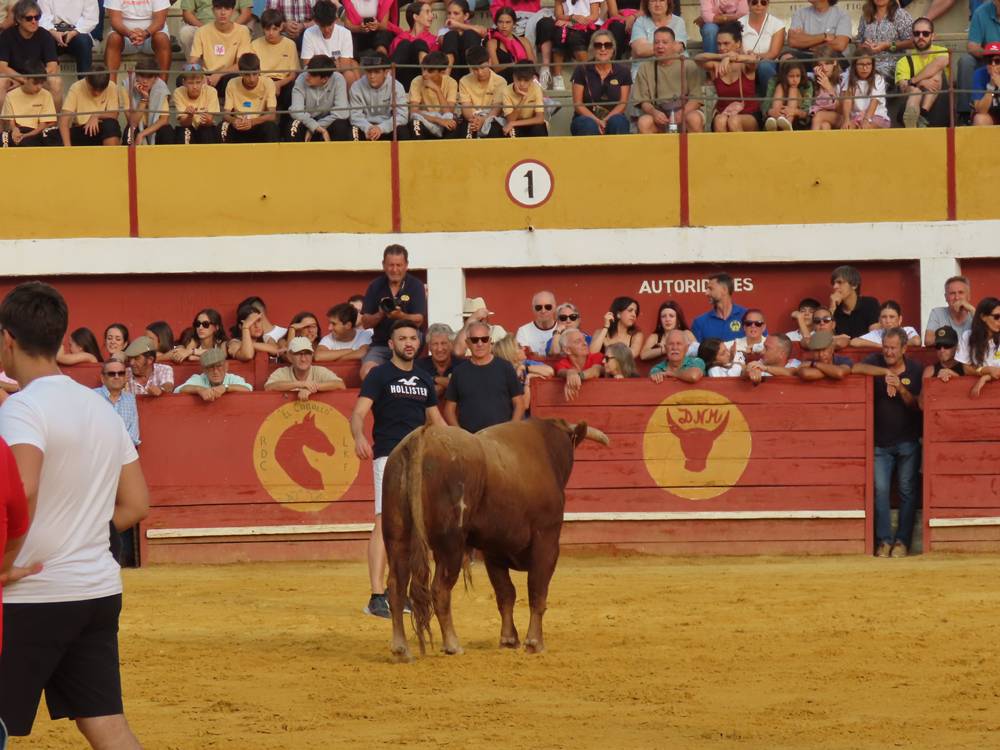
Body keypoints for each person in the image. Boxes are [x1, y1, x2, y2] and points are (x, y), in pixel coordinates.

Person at [0, 280, 149, 746]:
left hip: (31, 596)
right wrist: (79, 529)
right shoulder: (100, 406)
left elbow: (20, 489)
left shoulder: (21, 408)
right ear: (60, 339)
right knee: (106, 724)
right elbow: (136, 503)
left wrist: (6, 560)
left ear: (7, 339)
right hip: (97, 591)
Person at [351, 320, 446, 619]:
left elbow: (437, 421)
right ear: (391, 344)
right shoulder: (379, 376)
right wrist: (358, 436)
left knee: (415, 526)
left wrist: (462, 445)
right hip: (389, 457)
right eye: (402, 338)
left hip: (420, 458)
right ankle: (377, 595)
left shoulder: (423, 378)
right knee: (384, 522)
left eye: (412, 338)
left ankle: (399, 591)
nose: (408, 342)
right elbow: (358, 413)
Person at [852, 327, 923, 559]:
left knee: (907, 491)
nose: (889, 352)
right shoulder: (875, 361)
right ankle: (883, 541)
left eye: (893, 348)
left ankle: (901, 541)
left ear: (904, 348)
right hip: (880, 443)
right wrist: (885, 373)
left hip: (908, 442)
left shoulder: (916, 369)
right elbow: (856, 367)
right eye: (886, 347)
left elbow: (916, 406)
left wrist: (900, 386)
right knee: (880, 492)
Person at [359, 244, 427, 379]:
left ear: (406, 265)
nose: (395, 269)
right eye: (391, 265)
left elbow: (419, 320)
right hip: (382, 344)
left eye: (399, 265)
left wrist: (400, 316)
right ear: (383, 265)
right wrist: (381, 314)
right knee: (366, 372)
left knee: (402, 373)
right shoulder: (375, 286)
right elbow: (365, 322)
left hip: (408, 342)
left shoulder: (415, 285)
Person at [444, 321, 524, 432]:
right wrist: (461, 435)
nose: (480, 343)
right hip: (472, 440)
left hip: (502, 438)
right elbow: (449, 409)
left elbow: (519, 403)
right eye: (475, 340)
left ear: (490, 341)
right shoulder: (460, 372)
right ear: (467, 343)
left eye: (484, 339)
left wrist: (511, 430)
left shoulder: (505, 367)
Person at [633, 25, 704, 133]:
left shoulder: (688, 65)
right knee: (644, 122)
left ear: (674, 45)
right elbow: (643, 101)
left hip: (686, 110)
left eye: (665, 42)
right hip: (659, 112)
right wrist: (654, 112)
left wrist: (681, 113)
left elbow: (696, 100)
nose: (660, 46)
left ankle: (697, 150)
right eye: (656, 42)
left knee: (694, 119)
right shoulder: (645, 68)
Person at [695, 21, 758, 132]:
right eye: (719, 44)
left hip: (748, 114)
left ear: (738, 44)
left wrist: (732, 57)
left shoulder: (745, 65)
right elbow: (698, 58)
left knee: (733, 121)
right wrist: (723, 56)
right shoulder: (717, 66)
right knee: (720, 120)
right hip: (723, 114)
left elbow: (753, 60)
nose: (721, 47)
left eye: (726, 43)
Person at [0, 0, 62, 111]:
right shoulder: (7, 35)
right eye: (29, 18)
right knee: (1, 82)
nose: (34, 21)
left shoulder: (45, 35)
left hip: (38, 78)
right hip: (14, 77)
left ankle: (54, 125)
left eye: (37, 17)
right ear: (18, 19)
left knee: (55, 82)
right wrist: (24, 80)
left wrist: (34, 79)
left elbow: (52, 66)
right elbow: (2, 66)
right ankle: (2, 127)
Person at [570, 29, 631, 136]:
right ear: (592, 49)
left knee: (618, 122)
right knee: (588, 125)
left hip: (612, 117)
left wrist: (605, 120)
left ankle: (619, 153)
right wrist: (597, 121)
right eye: (598, 45)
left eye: (607, 45)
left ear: (613, 49)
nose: (603, 49)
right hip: (586, 118)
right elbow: (578, 104)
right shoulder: (582, 69)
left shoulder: (623, 71)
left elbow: (622, 104)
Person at [534, 0, 603, 92]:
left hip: (588, 25)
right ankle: (557, 77)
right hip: (568, 22)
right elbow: (559, 15)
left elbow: (594, 16)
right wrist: (571, 18)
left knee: (573, 35)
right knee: (557, 31)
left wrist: (575, 24)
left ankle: (589, 76)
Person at [894, 17, 949, 128]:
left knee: (937, 74)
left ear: (933, 36)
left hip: (940, 106)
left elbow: (938, 64)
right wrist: (919, 84)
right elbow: (904, 88)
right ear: (912, 36)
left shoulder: (942, 52)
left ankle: (922, 115)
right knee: (914, 92)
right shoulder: (903, 61)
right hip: (911, 104)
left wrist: (915, 80)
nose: (921, 37)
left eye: (925, 33)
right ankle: (917, 119)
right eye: (917, 33)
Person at [189, 0, 251, 97]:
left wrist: (218, 75)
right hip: (206, 75)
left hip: (227, 75)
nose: (223, 13)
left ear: (233, 11)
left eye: (227, 8)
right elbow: (193, 62)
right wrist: (201, 76)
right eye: (218, 8)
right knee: (182, 80)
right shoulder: (201, 31)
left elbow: (241, 64)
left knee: (234, 81)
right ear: (213, 10)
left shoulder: (242, 31)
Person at [287, 53, 350, 140]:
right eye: (308, 73)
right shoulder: (301, 78)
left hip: (328, 121)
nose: (307, 77)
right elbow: (296, 111)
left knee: (341, 125)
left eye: (312, 75)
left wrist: (317, 127)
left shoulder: (338, 80)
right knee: (294, 125)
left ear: (324, 79)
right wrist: (314, 126)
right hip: (306, 120)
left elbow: (343, 112)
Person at [103, 0, 170, 82]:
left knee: (162, 38)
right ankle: (111, 88)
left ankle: (162, 89)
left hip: (151, 35)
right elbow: (115, 21)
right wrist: (129, 34)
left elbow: (159, 21)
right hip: (124, 35)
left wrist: (145, 34)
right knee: (114, 38)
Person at [349, 50, 408, 141]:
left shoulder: (396, 86)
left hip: (388, 127)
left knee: (402, 131)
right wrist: (368, 128)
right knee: (352, 130)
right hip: (365, 128)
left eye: (376, 72)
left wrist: (381, 128)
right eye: (369, 72)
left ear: (386, 72)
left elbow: (403, 116)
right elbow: (355, 116)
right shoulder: (356, 87)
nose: (372, 76)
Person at [957, 0, 1000, 124]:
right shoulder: (981, 12)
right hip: (984, 58)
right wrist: (991, 57)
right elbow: (972, 46)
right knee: (965, 61)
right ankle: (965, 113)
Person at [222, 52, 280, 143]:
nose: (252, 79)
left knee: (271, 127)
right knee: (223, 127)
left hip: (258, 124)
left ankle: (272, 156)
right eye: (247, 75)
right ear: (241, 73)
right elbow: (225, 114)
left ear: (259, 71)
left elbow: (272, 115)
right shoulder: (232, 83)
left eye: (255, 74)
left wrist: (252, 122)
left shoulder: (268, 83)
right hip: (239, 126)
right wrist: (234, 121)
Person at [252, 8, 300, 117]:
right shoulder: (255, 44)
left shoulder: (290, 44)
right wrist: (269, 85)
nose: (270, 33)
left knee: (293, 88)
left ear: (281, 27)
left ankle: (286, 123)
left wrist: (278, 84)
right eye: (267, 29)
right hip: (262, 81)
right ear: (262, 28)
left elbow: (293, 74)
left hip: (282, 82)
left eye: (274, 29)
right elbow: (253, 72)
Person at [58, 64, 122, 146]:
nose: (97, 93)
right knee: (56, 135)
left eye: (101, 90)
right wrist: (68, 148)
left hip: (103, 131)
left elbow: (114, 115)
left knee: (111, 125)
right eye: (93, 89)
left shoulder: (112, 86)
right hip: (82, 131)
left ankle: (111, 157)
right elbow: (64, 120)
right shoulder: (76, 87)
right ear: (87, 80)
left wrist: (96, 115)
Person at [264, 336, 345, 399]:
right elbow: (269, 387)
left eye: (307, 353)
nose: (303, 359)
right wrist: (301, 384)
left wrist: (312, 388)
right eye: (298, 354)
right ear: (290, 356)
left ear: (312, 355)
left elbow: (340, 385)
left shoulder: (319, 371)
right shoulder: (282, 372)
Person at [854, 0, 914, 83]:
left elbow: (912, 42)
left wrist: (888, 45)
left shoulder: (901, 15)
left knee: (871, 78)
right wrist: (863, 47)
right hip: (867, 63)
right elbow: (858, 40)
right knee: (847, 77)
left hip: (891, 64)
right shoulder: (866, 15)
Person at [0, 59, 56, 147]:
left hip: (37, 133)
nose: (39, 87)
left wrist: (26, 135)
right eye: (35, 83)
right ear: (25, 78)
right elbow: (10, 122)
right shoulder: (10, 95)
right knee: (4, 139)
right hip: (19, 131)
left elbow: (44, 124)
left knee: (52, 136)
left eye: (41, 83)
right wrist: (15, 130)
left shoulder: (46, 95)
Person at [302, 0, 358, 85]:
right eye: (323, 26)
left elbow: (345, 66)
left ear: (335, 20)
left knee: (349, 75)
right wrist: (336, 62)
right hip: (317, 76)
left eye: (330, 25)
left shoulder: (345, 33)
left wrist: (319, 61)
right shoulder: (309, 33)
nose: (327, 30)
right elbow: (307, 65)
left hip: (337, 75)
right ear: (316, 22)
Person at [122, 55, 173, 145]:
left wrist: (142, 134)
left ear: (156, 78)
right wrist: (144, 99)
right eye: (141, 76)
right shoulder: (127, 86)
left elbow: (164, 120)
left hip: (154, 126)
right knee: (130, 131)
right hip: (136, 124)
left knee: (167, 131)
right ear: (136, 75)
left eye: (149, 77)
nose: (145, 81)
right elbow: (132, 122)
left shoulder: (161, 87)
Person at [630, 0, 687, 78]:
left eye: (662, 0)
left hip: (672, 67)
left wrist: (650, 48)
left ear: (668, 2)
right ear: (647, 4)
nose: (657, 4)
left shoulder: (678, 22)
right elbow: (640, 50)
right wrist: (668, 47)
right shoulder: (640, 22)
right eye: (653, 1)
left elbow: (677, 47)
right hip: (645, 69)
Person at [39, 0, 98, 75]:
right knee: (44, 41)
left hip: (77, 32)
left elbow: (90, 18)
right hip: (52, 32)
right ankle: (44, 81)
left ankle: (85, 83)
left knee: (84, 42)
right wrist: (53, 32)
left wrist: (74, 32)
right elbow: (42, 17)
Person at [409, 50, 459, 139]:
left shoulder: (451, 82)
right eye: (424, 69)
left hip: (444, 121)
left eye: (430, 71)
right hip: (426, 119)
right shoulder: (416, 81)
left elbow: (449, 112)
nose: (424, 74)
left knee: (452, 123)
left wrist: (437, 90)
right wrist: (438, 120)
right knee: (415, 123)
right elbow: (414, 111)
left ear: (441, 72)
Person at [457, 44, 505, 137]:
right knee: (466, 133)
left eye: (483, 68)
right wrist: (475, 121)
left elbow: (497, 109)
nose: (479, 72)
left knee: (494, 132)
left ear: (490, 62)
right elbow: (466, 107)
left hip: (491, 118)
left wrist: (483, 120)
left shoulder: (500, 81)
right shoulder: (464, 81)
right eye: (475, 69)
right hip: (471, 118)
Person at [388, 1, 437, 90]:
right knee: (405, 43)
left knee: (419, 43)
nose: (431, 16)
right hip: (400, 81)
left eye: (431, 12)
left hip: (421, 80)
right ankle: (386, 83)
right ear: (415, 16)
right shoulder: (400, 38)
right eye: (427, 12)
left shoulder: (434, 39)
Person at [179, 0, 251, 59]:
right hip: (201, 26)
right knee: (186, 32)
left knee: (245, 30)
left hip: (233, 27)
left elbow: (246, 14)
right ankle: (197, 72)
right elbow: (187, 14)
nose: (222, 12)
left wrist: (230, 28)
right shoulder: (203, 31)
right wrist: (207, 30)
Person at [955, 296, 1000, 390]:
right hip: (974, 389)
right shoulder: (967, 336)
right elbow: (966, 369)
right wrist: (984, 370)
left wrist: (985, 377)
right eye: (996, 317)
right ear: (983, 317)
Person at [93, 357, 140, 446]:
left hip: (124, 454)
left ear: (125, 377)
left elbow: (133, 435)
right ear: (103, 378)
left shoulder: (130, 399)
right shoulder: (92, 396)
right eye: (111, 374)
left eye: (121, 373)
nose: (117, 377)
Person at [739, 0, 784, 91]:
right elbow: (738, 49)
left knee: (764, 66)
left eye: (763, 2)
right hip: (745, 63)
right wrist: (748, 59)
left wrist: (754, 57)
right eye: (755, 2)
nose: (759, 5)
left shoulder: (777, 24)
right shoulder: (739, 23)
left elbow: (773, 53)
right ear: (748, 3)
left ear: (768, 4)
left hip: (769, 64)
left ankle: (769, 99)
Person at [176, 347, 253, 400]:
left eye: (219, 366)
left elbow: (248, 389)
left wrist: (225, 387)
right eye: (211, 367)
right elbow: (180, 389)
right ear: (205, 370)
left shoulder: (232, 378)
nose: (215, 371)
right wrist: (199, 390)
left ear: (226, 367)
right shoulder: (199, 378)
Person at [690, 272, 746, 342]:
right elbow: (695, 351)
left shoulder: (747, 317)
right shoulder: (700, 322)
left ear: (724, 290)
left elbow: (762, 342)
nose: (706, 293)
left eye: (711, 289)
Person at [840, 53, 890, 129]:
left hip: (876, 116)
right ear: (854, 65)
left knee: (865, 127)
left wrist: (867, 120)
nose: (865, 68)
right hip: (856, 116)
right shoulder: (849, 78)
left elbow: (874, 101)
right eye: (861, 64)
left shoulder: (878, 78)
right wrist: (846, 120)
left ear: (872, 65)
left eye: (868, 64)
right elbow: (848, 100)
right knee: (848, 128)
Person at [173, 62, 220, 144]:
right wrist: (189, 116)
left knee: (206, 131)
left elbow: (209, 121)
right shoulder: (178, 92)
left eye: (198, 82)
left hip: (205, 127)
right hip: (188, 126)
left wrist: (207, 119)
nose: (194, 87)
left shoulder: (211, 91)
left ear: (203, 81)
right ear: (184, 82)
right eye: (190, 83)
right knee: (184, 132)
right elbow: (183, 123)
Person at [830, 264, 879, 339]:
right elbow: (826, 339)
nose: (835, 287)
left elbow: (875, 335)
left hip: (867, 350)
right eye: (834, 283)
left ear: (854, 285)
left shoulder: (870, 304)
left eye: (839, 282)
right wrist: (832, 309)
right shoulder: (835, 310)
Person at [786, 0, 851, 56]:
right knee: (786, 56)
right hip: (806, 55)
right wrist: (824, 37)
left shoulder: (841, 14)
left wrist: (808, 43)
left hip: (831, 57)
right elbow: (793, 41)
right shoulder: (800, 13)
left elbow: (840, 45)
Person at [487, 6, 533, 84]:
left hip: (524, 78)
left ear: (514, 24)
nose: (504, 26)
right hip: (502, 80)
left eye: (508, 22)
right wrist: (514, 64)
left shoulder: (524, 41)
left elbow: (532, 64)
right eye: (500, 22)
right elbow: (495, 68)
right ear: (496, 24)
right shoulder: (492, 43)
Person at [924, 276, 975, 346]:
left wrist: (972, 310)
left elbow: (987, 337)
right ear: (946, 297)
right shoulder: (937, 313)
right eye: (952, 293)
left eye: (961, 292)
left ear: (969, 296)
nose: (957, 297)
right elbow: (928, 340)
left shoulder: (975, 314)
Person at [762, 58, 811, 130]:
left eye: (798, 76)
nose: (795, 80)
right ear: (785, 76)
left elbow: (807, 112)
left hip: (796, 121)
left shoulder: (807, 84)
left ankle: (788, 124)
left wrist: (795, 111)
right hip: (776, 116)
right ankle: (775, 123)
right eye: (791, 76)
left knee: (793, 89)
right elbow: (766, 105)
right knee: (780, 87)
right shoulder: (774, 81)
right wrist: (771, 112)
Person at [556, 327, 603, 401]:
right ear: (567, 350)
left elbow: (595, 371)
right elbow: (561, 372)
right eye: (578, 341)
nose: (585, 343)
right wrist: (569, 372)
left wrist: (576, 377)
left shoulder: (596, 356)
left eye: (584, 340)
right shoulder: (562, 363)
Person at [438, 0, 486, 72]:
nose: (451, 16)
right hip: (453, 69)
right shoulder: (444, 30)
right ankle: (446, 76)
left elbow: (482, 32)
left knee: (469, 34)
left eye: (456, 13)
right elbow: (442, 43)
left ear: (466, 16)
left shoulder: (472, 29)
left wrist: (458, 25)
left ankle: (472, 74)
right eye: (449, 13)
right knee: (452, 35)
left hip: (473, 69)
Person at [851, 300, 921, 348]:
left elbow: (916, 342)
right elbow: (854, 342)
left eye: (892, 317)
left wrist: (891, 345)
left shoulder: (908, 330)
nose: (888, 321)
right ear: (879, 320)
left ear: (900, 319)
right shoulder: (877, 334)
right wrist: (881, 346)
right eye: (884, 317)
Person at [501, 65, 547, 136]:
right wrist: (523, 100)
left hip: (532, 122)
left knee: (539, 129)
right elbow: (510, 119)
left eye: (526, 80)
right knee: (511, 131)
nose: (522, 84)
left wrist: (513, 123)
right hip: (516, 124)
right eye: (519, 79)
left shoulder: (536, 88)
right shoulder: (506, 91)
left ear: (532, 80)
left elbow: (540, 118)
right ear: (513, 77)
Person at [414, 322, 455, 398]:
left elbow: (462, 385)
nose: (439, 349)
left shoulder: (461, 365)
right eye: (435, 344)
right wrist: (445, 383)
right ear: (429, 347)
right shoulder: (417, 366)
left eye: (443, 343)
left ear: (451, 345)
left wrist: (434, 379)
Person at [809, 46, 843, 129]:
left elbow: (841, 109)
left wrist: (829, 88)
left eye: (827, 64)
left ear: (834, 62)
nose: (824, 68)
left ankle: (810, 142)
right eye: (820, 65)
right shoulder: (812, 79)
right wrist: (817, 82)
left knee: (819, 116)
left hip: (840, 117)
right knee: (824, 126)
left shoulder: (842, 79)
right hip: (822, 119)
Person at [516, 289, 557, 356]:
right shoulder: (524, 331)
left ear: (554, 307)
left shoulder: (562, 329)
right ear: (533, 309)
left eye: (548, 307)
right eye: (538, 307)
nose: (543, 311)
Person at [972, 40, 1000, 125]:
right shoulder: (979, 74)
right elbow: (981, 110)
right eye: (989, 61)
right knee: (980, 119)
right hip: (990, 115)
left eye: (997, 61)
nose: (993, 64)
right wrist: (991, 87)